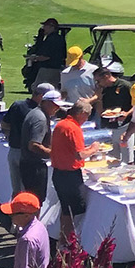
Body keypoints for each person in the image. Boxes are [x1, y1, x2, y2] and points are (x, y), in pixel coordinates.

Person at [3, 192, 49, 268]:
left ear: (26, 216)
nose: (10, 216)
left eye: (13, 214)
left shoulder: (27, 240)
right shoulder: (39, 226)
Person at [49, 96, 88, 240]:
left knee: (66, 209)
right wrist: (94, 149)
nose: (86, 120)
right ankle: (70, 241)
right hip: (70, 176)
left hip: (58, 173)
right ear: (82, 113)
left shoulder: (60, 124)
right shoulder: (74, 128)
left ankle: (63, 239)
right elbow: (80, 155)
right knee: (75, 211)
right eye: (87, 116)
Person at [21, 86, 62, 206]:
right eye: (55, 105)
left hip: (28, 164)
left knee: (31, 199)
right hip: (34, 166)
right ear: (45, 102)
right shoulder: (40, 119)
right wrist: (54, 154)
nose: (57, 109)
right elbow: (33, 145)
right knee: (35, 201)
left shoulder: (36, 113)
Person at [27, 18, 67, 89]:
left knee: (38, 89)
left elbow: (46, 56)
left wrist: (35, 58)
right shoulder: (60, 38)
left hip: (48, 70)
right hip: (57, 69)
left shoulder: (51, 39)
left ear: (52, 27)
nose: (43, 28)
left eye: (45, 26)